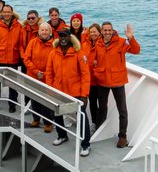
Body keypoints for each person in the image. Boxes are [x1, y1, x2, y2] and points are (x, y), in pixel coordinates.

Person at [94, 22, 140, 148]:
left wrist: (130, 38)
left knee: (122, 110)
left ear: (113, 30)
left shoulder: (121, 42)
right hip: (103, 80)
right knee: (102, 108)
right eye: (105, 30)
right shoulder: (98, 44)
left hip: (118, 81)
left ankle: (122, 137)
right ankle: (98, 130)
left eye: (109, 30)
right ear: (101, 32)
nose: (107, 32)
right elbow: (93, 58)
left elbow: (136, 51)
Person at [46, 27, 91, 156]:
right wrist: (50, 89)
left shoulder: (79, 53)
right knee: (57, 114)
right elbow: (49, 73)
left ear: (70, 37)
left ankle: (85, 144)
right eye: (60, 36)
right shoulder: (53, 53)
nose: (63, 39)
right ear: (58, 38)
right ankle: (62, 135)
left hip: (76, 92)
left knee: (82, 118)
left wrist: (84, 95)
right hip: (58, 90)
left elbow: (85, 75)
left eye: (65, 36)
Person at [0, 4, 24, 113]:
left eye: (8, 12)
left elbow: (21, 43)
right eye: (5, 12)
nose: (7, 14)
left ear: (12, 13)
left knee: (13, 84)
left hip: (13, 58)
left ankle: (12, 104)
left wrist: (21, 57)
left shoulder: (18, 26)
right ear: (2, 13)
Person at [23, 22, 54, 133]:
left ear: (50, 32)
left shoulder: (54, 44)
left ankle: (48, 122)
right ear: (39, 31)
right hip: (33, 76)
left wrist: (45, 74)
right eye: (42, 30)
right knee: (34, 99)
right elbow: (26, 59)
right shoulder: (32, 42)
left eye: (46, 30)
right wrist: (36, 72)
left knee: (46, 101)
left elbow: (55, 62)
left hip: (47, 78)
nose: (44, 32)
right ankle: (36, 119)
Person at [82, 23, 102, 130]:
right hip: (89, 80)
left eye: (95, 31)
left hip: (100, 80)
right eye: (91, 32)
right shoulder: (85, 45)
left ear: (99, 32)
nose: (93, 34)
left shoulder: (102, 44)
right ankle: (94, 122)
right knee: (93, 103)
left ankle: (100, 124)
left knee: (102, 104)